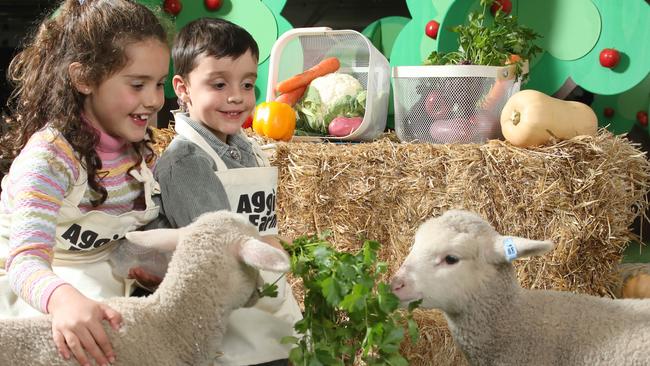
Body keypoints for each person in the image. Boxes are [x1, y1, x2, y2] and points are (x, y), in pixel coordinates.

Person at [0, 1, 170, 365]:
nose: (154, 100)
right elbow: (25, 262)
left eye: (157, 84)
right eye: (137, 84)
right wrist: (63, 300)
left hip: (101, 280)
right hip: (38, 285)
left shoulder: (141, 151)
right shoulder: (49, 158)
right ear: (84, 79)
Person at [153, 17, 302, 366]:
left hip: (267, 302)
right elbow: (217, 252)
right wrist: (280, 250)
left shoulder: (248, 147)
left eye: (248, 84)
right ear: (183, 87)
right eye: (218, 84)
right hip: (226, 324)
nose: (236, 97)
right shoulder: (187, 162)